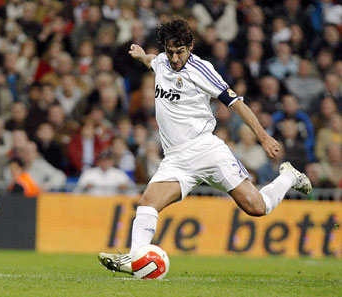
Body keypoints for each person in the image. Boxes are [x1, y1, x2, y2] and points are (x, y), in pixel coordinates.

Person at [98, 17, 312, 275]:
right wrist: (143, 55)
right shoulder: (162, 62)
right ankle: (135, 259)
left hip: (206, 151)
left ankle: (288, 176)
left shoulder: (202, 70)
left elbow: (236, 103)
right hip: (176, 158)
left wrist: (263, 136)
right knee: (147, 202)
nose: (175, 58)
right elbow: (151, 61)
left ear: (191, 46)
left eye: (180, 52)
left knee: (257, 207)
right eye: (170, 51)